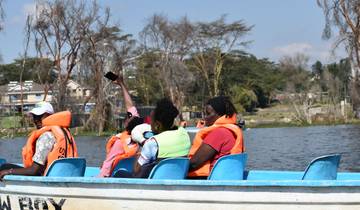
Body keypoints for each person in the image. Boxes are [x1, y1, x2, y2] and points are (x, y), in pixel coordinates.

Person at [0, 101, 78, 179]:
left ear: (49, 116)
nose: (36, 120)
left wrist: (8, 172)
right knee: (5, 166)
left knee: (4, 167)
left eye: (39, 116)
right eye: (34, 116)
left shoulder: (46, 136)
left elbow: (34, 171)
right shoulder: (65, 133)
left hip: (46, 177)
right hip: (63, 174)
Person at [116, 98, 191, 178]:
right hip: (176, 178)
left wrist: (141, 145)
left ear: (157, 125)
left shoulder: (153, 142)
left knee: (119, 173)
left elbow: (136, 171)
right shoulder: (184, 133)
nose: (150, 126)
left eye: (151, 122)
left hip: (155, 182)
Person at [188, 96, 244, 178]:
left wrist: (178, 169)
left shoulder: (219, 133)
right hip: (226, 177)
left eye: (208, 114)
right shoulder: (230, 130)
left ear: (220, 115)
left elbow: (194, 163)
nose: (205, 118)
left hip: (211, 179)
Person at [98, 74, 144, 177]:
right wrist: (121, 84)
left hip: (114, 176)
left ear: (128, 124)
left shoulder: (120, 142)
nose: (126, 117)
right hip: (131, 175)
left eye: (128, 118)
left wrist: (98, 179)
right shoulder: (142, 137)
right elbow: (130, 105)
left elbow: (108, 164)